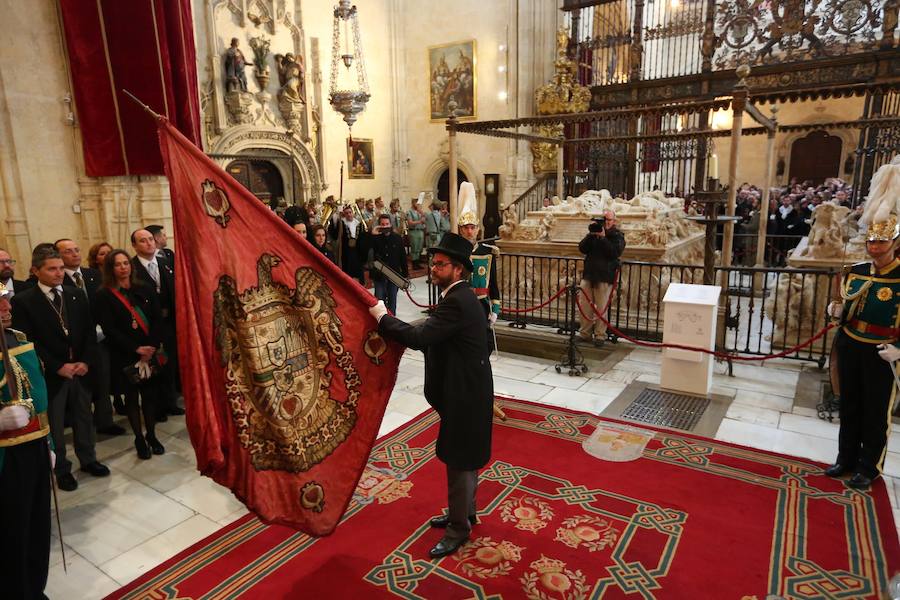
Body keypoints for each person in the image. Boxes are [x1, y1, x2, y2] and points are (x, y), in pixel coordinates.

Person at [369, 233, 493, 559]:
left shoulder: (458, 301)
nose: (433, 268)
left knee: (459, 459)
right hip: (467, 389)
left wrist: (382, 317)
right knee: (464, 457)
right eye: (433, 263)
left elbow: (419, 336)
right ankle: (464, 514)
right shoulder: (462, 297)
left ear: (458, 269)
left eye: (440, 264)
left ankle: (458, 530)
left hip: (466, 394)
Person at [11, 248, 109, 491]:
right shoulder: (24, 300)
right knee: (55, 423)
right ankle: (62, 468)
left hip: (80, 369)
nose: (58, 273)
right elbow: (28, 340)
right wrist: (57, 367)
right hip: (52, 373)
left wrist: (85, 361)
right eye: (51, 269)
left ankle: (88, 458)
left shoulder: (76, 295)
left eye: (60, 268)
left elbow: (88, 331)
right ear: (36, 271)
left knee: (84, 417)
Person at [825, 212, 900, 489]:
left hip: (882, 350)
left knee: (876, 411)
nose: (875, 248)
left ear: (894, 243)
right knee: (850, 404)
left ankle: (869, 467)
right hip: (851, 342)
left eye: (881, 243)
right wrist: (834, 311)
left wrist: (899, 350)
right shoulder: (856, 271)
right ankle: (846, 458)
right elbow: (845, 307)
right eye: (871, 242)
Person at [0, 281, 53, 599]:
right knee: (10, 532)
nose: (7, 307)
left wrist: (45, 444)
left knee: (36, 525)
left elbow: (37, 394)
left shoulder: (16, 339)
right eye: (0, 303)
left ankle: (34, 588)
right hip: (4, 459)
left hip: (32, 447)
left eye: (6, 300)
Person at [95, 250, 166, 459]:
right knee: (132, 399)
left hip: (149, 351)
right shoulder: (103, 295)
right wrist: (136, 349)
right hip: (125, 353)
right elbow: (109, 329)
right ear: (111, 268)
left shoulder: (143, 288)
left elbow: (157, 318)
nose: (123, 267)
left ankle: (152, 435)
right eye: (118, 264)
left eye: (126, 263)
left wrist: (151, 347)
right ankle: (139, 438)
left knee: (150, 397)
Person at [55, 238, 124, 436]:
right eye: (68, 251)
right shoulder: (58, 280)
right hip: (72, 343)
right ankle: (81, 425)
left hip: (98, 338)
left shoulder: (92, 275)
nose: (75, 254)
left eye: (77, 250)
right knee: (79, 390)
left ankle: (105, 420)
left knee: (103, 380)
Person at [131, 229, 184, 419]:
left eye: (150, 239)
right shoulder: (132, 267)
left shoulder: (165, 263)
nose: (149, 243)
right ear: (135, 246)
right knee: (153, 367)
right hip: (147, 325)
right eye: (143, 241)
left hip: (169, 323)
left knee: (170, 362)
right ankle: (156, 408)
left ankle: (170, 401)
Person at [457, 182, 501, 350]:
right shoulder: (455, 252)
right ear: (461, 230)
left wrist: (495, 310)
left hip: (482, 305)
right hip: (461, 305)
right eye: (466, 228)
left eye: (472, 228)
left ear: (478, 230)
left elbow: (494, 284)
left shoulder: (488, 252)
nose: (469, 231)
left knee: (484, 345)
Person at [578, 210, 625, 346]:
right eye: (604, 220)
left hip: (605, 276)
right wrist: (591, 235)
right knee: (585, 307)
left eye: (609, 220)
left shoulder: (617, 236)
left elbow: (614, 253)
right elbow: (582, 248)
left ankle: (600, 336)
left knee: (601, 309)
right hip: (589, 275)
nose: (606, 222)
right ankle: (585, 334)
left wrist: (603, 238)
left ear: (614, 221)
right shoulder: (593, 235)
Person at [370, 214, 409, 315]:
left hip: (394, 275)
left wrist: (405, 274)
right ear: (379, 225)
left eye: (387, 224)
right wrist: (373, 235)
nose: (385, 226)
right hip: (379, 274)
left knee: (392, 301)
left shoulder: (397, 238)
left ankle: (392, 323)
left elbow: (402, 257)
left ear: (391, 224)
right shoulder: (375, 238)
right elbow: (366, 251)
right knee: (379, 301)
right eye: (382, 224)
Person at [329, 205, 365, 285]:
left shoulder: (359, 224)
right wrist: (336, 218)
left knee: (358, 273)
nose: (349, 214)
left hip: (357, 253)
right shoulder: (341, 223)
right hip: (346, 253)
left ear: (353, 213)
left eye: (350, 212)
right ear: (344, 214)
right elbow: (334, 235)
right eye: (346, 213)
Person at [407, 195, 427, 268]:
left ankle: (418, 262)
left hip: (420, 231)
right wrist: (419, 221)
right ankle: (414, 264)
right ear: (413, 203)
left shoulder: (419, 211)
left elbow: (425, 220)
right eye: (416, 203)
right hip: (414, 231)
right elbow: (410, 222)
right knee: (415, 248)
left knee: (420, 248)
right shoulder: (410, 212)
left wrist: (422, 213)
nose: (418, 205)